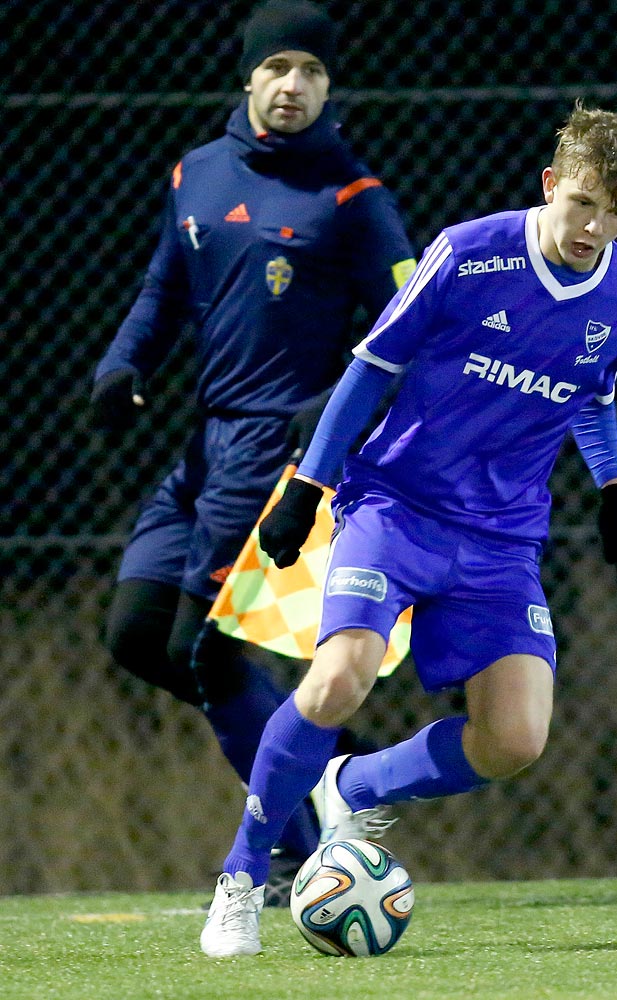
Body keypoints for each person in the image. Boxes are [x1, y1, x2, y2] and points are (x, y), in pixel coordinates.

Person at [198, 102, 617, 957]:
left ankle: (357, 786)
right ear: (551, 184)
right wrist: (308, 486)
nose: (596, 227)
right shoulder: (468, 250)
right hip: (394, 507)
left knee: (516, 739)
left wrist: (616, 489)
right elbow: (372, 363)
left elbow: (591, 394)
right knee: (339, 682)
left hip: (503, 539)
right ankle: (239, 873)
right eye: (584, 203)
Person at [90, 0, 415, 898]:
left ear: (328, 86)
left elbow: (409, 325)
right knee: (135, 637)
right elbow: (162, 292)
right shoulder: (195, 172)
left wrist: (329, 410)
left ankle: (295, 845)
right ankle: (331, 761)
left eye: (311, 71)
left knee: (208, 651)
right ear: (249, 76)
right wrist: (120, 367)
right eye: (279, 68)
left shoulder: (353, 196)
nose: (293, 85)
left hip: (278, 455)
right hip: (203, 448)